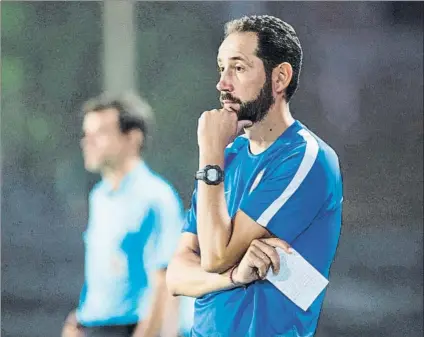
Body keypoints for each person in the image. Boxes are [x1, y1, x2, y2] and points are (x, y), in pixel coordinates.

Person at [166, 15, 343, 337]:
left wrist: (209, 156)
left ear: (280, 78)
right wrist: (234, 277)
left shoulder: (304, 157)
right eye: (221, 68)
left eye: (238, 67)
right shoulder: (227, 156)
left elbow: (216, 256)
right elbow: (176, 276)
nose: (222, 83)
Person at [61, 92, 184, 337]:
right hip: (93, 326)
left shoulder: (157, 196)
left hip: (131, 328)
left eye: (100, 134)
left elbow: (166, 279)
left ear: (133, 138)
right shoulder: (99, 196)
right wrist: (80, 320)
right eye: (87, 134)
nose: (88, 142)